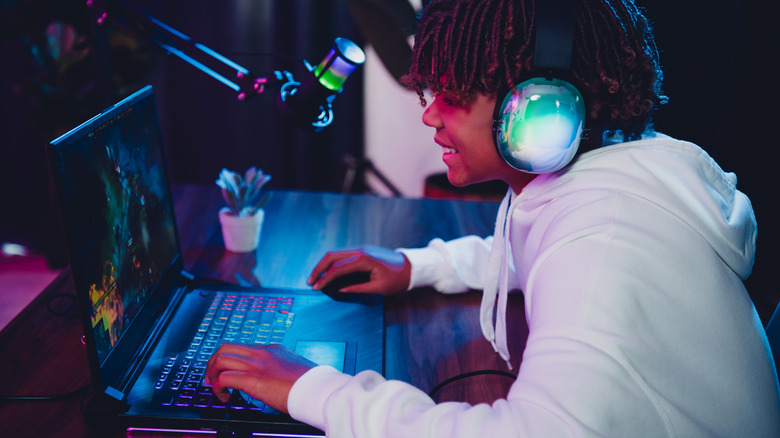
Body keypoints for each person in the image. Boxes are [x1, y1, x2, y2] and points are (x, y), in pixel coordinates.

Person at [205, 0, 780, 436]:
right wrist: (418, 265)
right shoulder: (604, 186)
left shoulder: (605, 243)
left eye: (452, 94)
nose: (429, 113)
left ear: (543, 115)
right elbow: (530, 248)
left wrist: (313, 388)